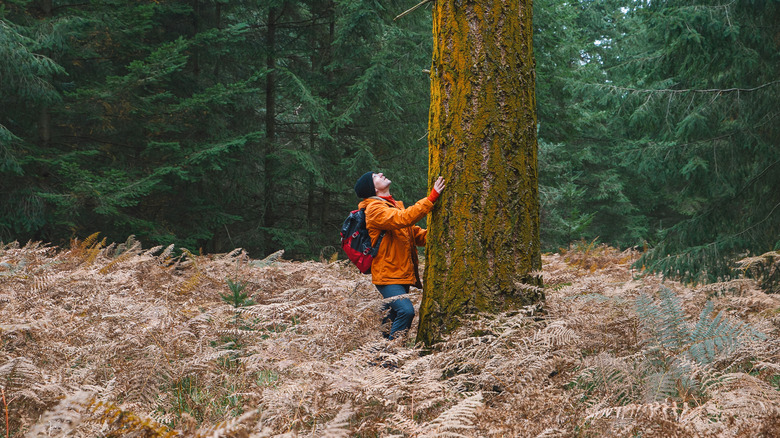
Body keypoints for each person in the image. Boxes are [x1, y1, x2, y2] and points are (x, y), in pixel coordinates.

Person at [353, 171, 446, 339]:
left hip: (400, 273)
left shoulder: (392, 206)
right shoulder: (374, 209)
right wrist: (431, 198)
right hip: (388, 275)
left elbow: (413, 234)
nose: (380, 173)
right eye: (375, 176)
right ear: (373, 188)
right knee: (406, 311)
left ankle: (378, 358)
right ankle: (390, 359)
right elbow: (403, 219)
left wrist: (443, 234)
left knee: (391, 319)